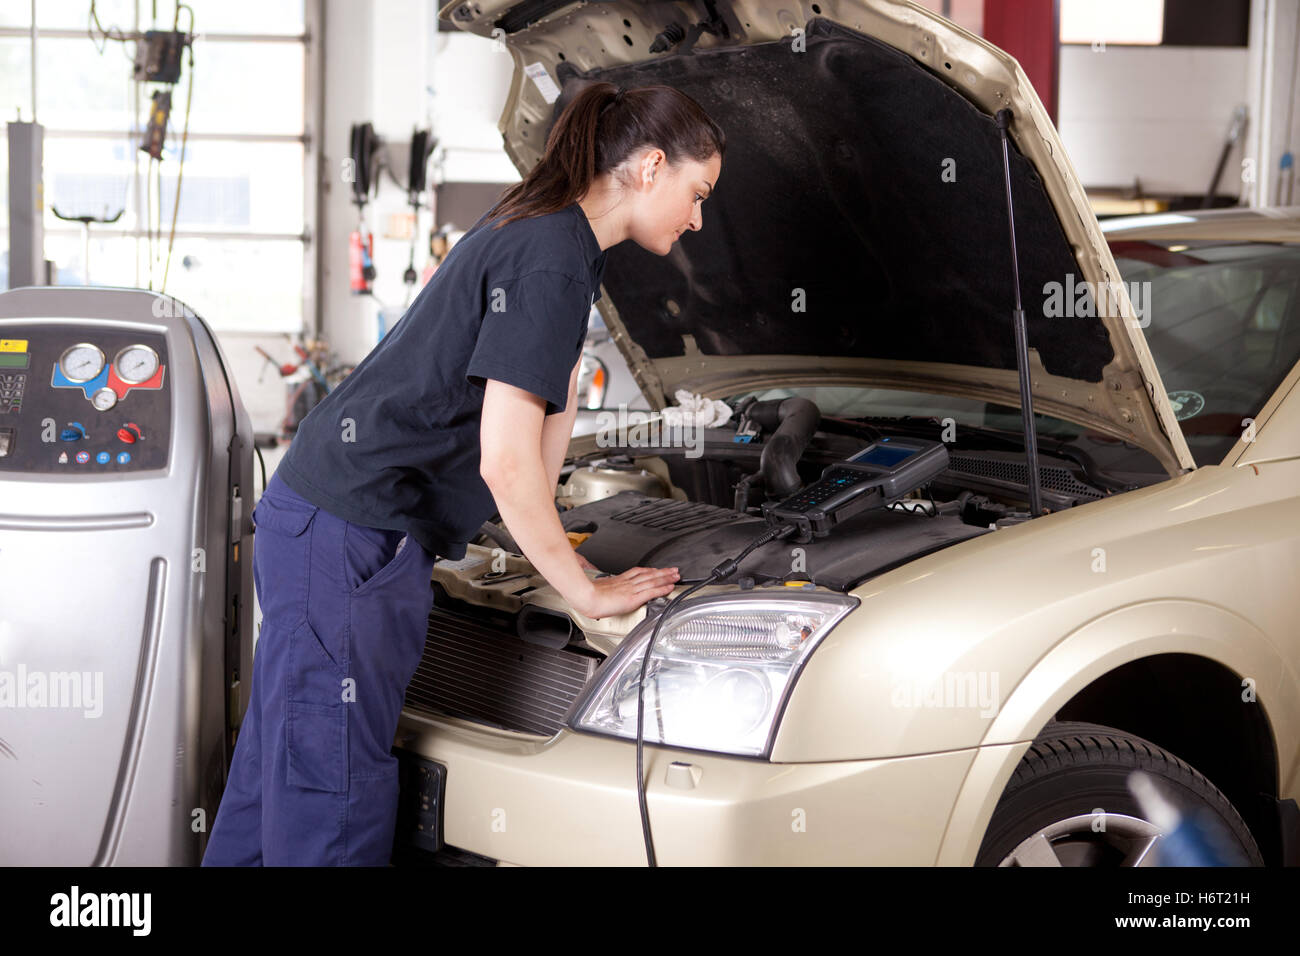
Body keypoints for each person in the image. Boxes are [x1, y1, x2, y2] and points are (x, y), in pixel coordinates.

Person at [202, 81, 725, 866]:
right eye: (698, 192)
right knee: (331, 799)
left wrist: (558, 495)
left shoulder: (550, 239)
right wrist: (584, 591)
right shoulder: (551, 257)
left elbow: (536, 459)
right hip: (352, 536)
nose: (697, 218)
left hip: (320, 521)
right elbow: (506, 463)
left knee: (279, 774)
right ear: (652, 166)